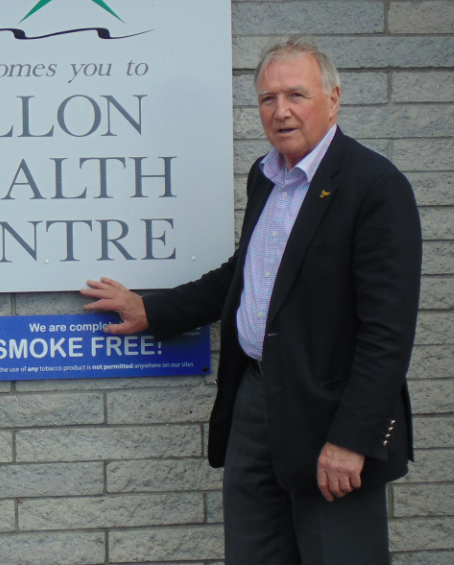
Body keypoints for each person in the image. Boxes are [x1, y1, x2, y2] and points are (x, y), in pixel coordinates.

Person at [82, 37, 421, 565]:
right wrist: (152, 310)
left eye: (295, 95)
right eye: (267, 98)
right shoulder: (267, 178)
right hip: (256, 402)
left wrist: (352, 440)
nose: (280, 111)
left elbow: (388, 332)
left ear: (333, 99)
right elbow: (246, 276)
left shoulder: (375, 187)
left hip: (328, 418)